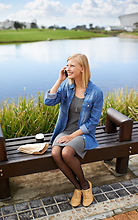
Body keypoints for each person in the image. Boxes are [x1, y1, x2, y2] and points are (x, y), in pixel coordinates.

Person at [44, 53, 103, 207]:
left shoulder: (96, 93)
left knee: (66, 153)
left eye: (72, 66)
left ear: (82, 68)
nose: (67, 69)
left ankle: (85, 185)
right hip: (64, 130)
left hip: (82, 134)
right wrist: (59, 80)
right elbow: (48, 102)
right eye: (67, 65)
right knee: (56, 153)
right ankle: (78, 187)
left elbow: (92, 123)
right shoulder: (66, 86)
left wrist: (71, 137)